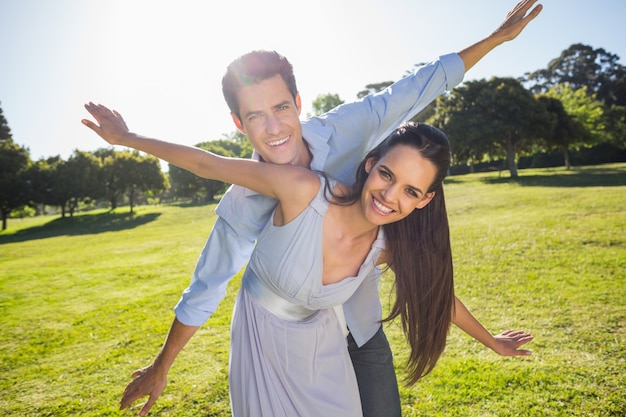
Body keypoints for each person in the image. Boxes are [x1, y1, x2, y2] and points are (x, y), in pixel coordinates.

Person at [83, 1, 541, 415]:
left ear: (298, 103)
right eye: (255, 115)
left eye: (281, 107)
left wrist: (495, 39)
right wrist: (163, 366)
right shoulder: (254, 199)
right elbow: (206, 266)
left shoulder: (348, 131)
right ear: (238, 123)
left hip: (355, 326)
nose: (274, 127)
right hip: (272, 337)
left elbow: (417, 87)